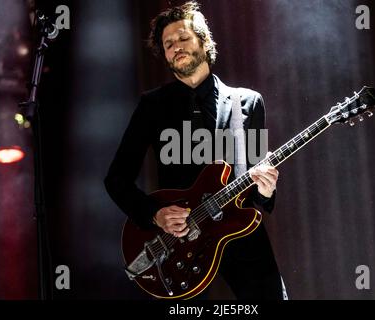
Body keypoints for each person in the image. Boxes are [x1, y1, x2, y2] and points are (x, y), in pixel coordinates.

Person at [104, 1, 287, 300]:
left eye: (183, 38)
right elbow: (116, 180)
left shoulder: (248, 102)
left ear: (203, 41)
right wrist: (155, 214)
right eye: (168, 44)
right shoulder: (153, 106)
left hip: (237, 231)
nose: (175, 46)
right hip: (179, 241)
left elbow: (256, 188)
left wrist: (266, 190)